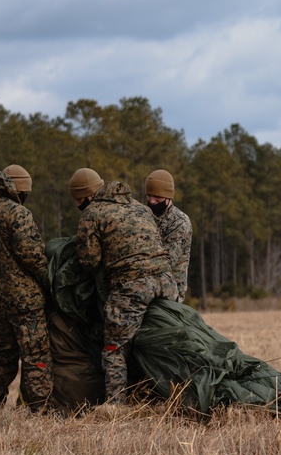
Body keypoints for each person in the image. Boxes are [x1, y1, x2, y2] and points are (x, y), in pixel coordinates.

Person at [68, 168, 178, 404]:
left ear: (87, 196)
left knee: (114, 348)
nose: (79, 204)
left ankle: (116, 407)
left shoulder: (93, 214)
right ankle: (169, 397)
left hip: (133, 287)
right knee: (161, 342)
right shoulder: (140, 207)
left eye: (78, 200)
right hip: (167, 282)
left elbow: (89, 262)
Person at [0, 164, 53, 413]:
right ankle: (39, 410)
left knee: (4, 353)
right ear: (20, 189)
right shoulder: (18, 214)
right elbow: (34, 257)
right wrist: (51, 281)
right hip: (26, 300)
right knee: (35, 356)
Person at [144, 169, 192, 302]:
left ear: (168, 197)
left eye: (157, 197)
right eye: (149, 196)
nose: (152, 201)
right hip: (146, 283)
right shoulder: (145, 215)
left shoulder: (180, 222)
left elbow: (166, 263)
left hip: (170, 291)